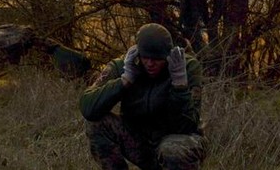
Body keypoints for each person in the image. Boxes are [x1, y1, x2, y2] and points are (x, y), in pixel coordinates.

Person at [79, 23, 204, 170]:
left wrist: (179, 85)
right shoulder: (123, 65)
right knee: (95, 123)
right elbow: (88, 107)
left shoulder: (186, 66)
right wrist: (125, 80)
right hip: (140, 142)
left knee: (172, 149)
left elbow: (187, 126)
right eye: (145, 57)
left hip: (177, 140)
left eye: (157, 59)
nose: (150, 63)